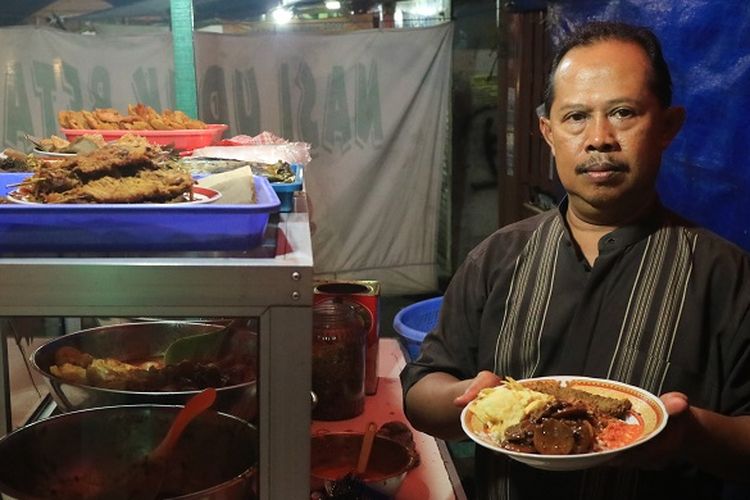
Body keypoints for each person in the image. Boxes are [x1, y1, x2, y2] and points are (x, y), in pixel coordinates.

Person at [400, 20, 750, 500]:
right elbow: (422, 388)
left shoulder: (725, 275)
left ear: (667, 125)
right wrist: (468, 398)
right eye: (576, 117)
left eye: (624, 113)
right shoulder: (498, 257)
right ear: (548, 131)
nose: (599, 138)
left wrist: (691, 434)